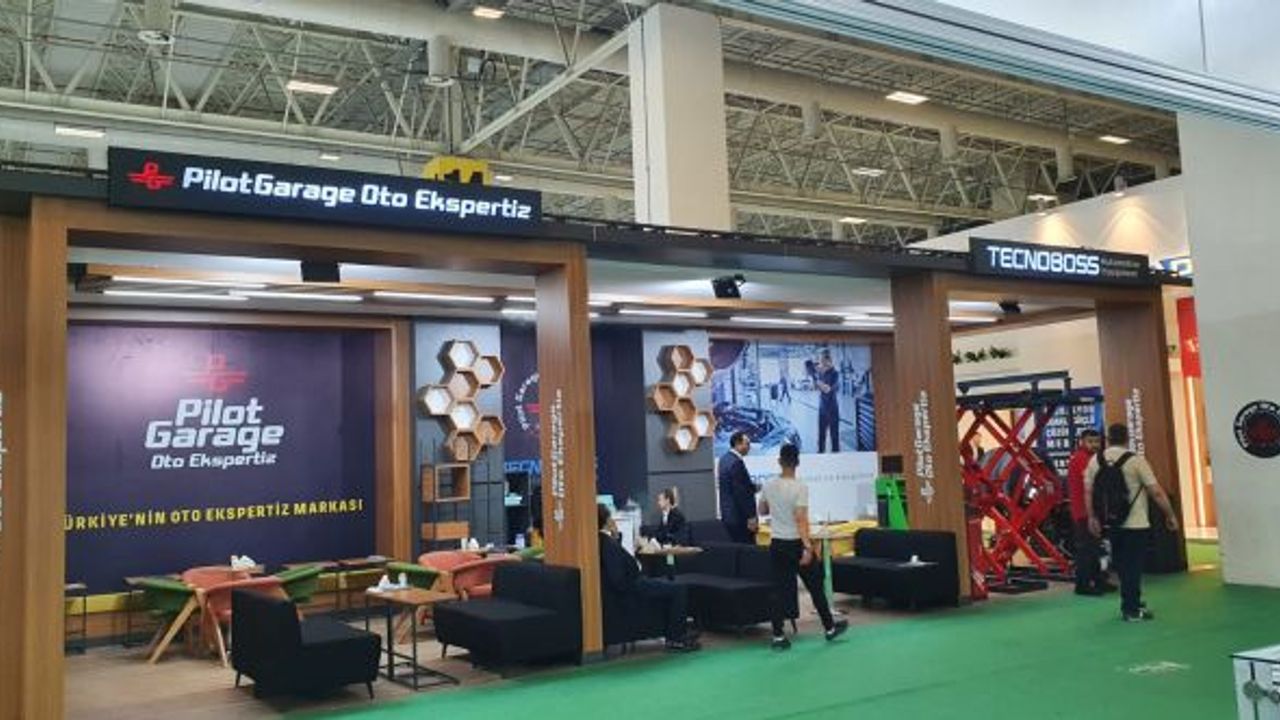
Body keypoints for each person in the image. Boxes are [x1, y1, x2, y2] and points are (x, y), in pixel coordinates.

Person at [1085, 424, 1179, 622]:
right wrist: (1170, 514)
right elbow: (1156, 492)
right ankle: (1132, 609)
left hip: (1111, 522)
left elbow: (1089, 492)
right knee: (1133, 567)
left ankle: (1130, 600)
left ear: (1108, 438)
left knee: (1121, 566)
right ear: (1127, 438)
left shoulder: (1095, 460)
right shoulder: (1136, 461)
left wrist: (1092, 517)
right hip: (1136, 523)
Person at [758, 443, 848, 650]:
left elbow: (762, 510)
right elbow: (800, 519)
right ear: (797, 462)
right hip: (796, 544)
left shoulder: (769, 485)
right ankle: (829, 628)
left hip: (777, 543)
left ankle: (778, 636)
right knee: (815, 586)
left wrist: (775, 506)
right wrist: (808, 547)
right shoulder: (800, 487)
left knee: (778, 590)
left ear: (779, 461)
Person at [597, 504, 699, 652]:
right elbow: (617, 575)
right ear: (606, 520)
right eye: (610, 517)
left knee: (670, 587)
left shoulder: (602, 541)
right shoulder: (606, 543)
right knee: (679, 590)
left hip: (634, 582)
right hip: (634, 585)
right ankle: (676, 638)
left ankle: (676, 633)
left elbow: (615, 562)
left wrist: (616, 536)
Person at [1067, 429, 1114, 596]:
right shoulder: (1081, 459)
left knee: (1095, 548)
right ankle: (1082, 585)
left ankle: (1098, 580)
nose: (1094, 445)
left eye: (1097, 442)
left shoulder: (1091, 458)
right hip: (1084, 511)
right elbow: (1091, 485)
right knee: (1087, 549)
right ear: (1082, 442)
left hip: (1092, 510)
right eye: (1090, 441)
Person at [718, 432, 759, 544]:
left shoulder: (724, 460)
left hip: (729, 516)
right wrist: (751, 516)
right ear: (737, 443)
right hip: (740, 518)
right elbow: (741, 493)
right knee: (748, 550)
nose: (749, 447)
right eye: (747, 444)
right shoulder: (736, 463)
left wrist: (752, 487)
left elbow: (733, 486)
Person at [815, 351, 840, 453]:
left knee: (834, 436)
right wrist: (817, 381)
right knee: (821, 435)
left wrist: (818, 382)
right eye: (821, 361)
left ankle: (836, 456)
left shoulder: (835, 374)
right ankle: (820, 454)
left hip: (832, 409)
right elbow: (817, 388)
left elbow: (827, 389)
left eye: (823, 361)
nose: (821, 363)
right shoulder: (821, 373)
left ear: (829, 361)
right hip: (822, 409)